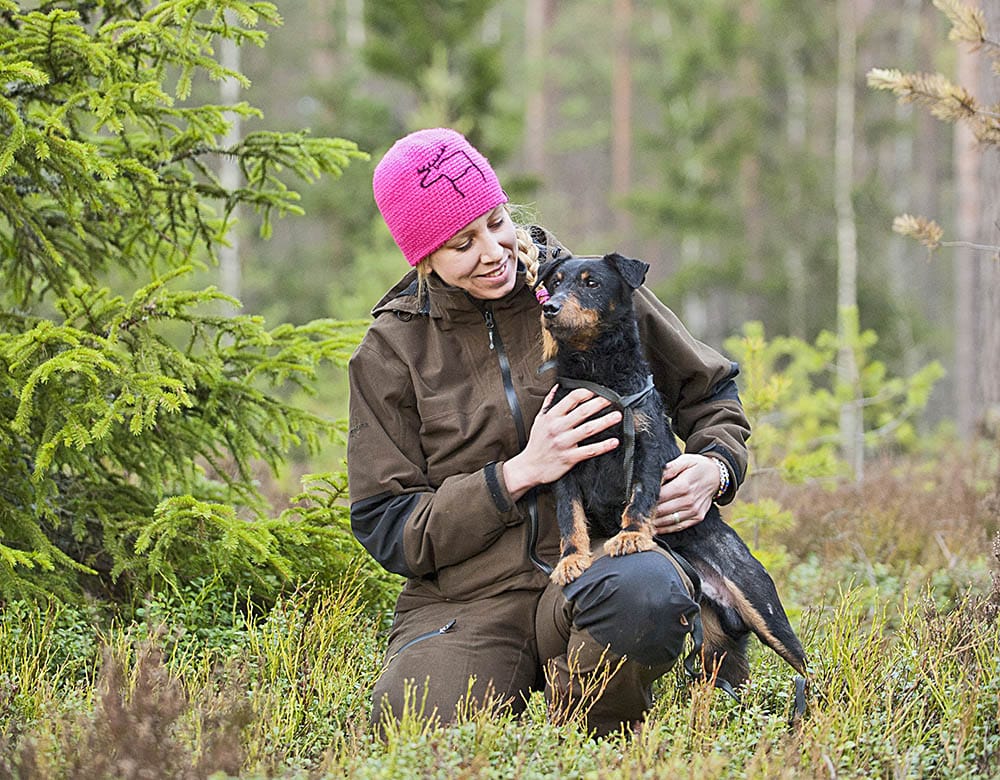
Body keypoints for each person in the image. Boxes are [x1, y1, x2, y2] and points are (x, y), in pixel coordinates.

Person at [347, 127, 750, 736]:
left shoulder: (590, 288)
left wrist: (715, 468)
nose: (492, 251)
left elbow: (709, 389)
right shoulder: (391, 351)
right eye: (461, 244)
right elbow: (388, 525)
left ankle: (597, 730)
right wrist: (514, 474)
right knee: (412, 724)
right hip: (471, 604)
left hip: (597, 570)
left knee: (644, 595)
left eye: (496, 221)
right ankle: (514, 684)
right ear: (423, 259)